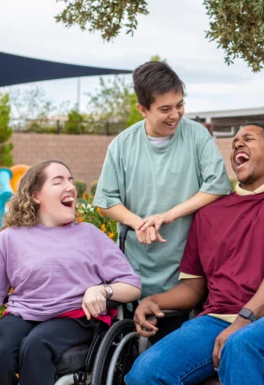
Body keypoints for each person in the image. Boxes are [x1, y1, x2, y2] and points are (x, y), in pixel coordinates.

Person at [124, 123, 264, 385]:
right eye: (234, 143)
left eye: (248, 139)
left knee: (240, 346)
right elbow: (194, 288)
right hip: (216, 320)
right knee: (144, 373)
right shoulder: (209, 212)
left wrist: (242, 321)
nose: (237, 145)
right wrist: (155, 301)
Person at [0, 160, 141, 385]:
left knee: (36, 345)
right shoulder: (9, 239)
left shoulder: (89, 235)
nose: (70, 187)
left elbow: (132, 286)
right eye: (58, 182)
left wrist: (102, 290)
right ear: (36, 195)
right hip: (24, 314)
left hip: (74, 317)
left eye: (70, 180)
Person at [93, 61, 231, 298]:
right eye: (165, 109)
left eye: (180, 105)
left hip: (188, 265)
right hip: (136, 263)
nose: (175, 115)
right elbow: (106, 201)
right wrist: (139, 224)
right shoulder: (122, 144)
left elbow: (217, 185)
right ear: (143, 109)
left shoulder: (197, 134)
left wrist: (168, 215)